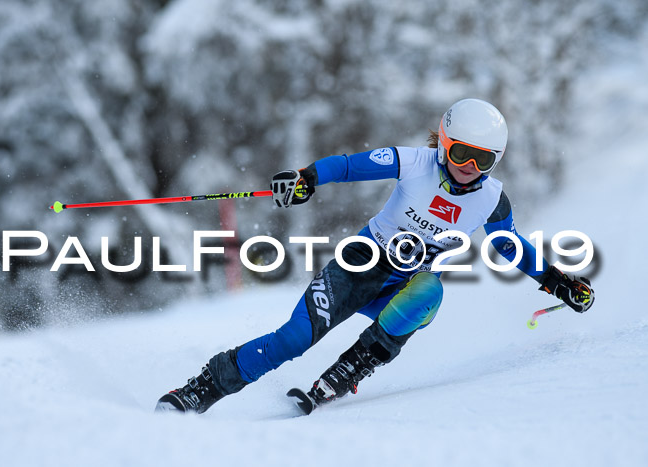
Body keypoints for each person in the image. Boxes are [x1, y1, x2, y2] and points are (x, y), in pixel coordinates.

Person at [155, 98, 595, 414]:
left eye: (483, 160)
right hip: (358, 266)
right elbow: (348, 166)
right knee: (292, 340)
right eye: (461, 152)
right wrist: (308, 178)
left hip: (403, 287)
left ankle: (350, 368)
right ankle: (203, 388)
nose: (468, 167)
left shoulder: (492, 201)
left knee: (429, 293)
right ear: (443, 142)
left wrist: (556, 280)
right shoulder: (413, 162)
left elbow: (510, 246)